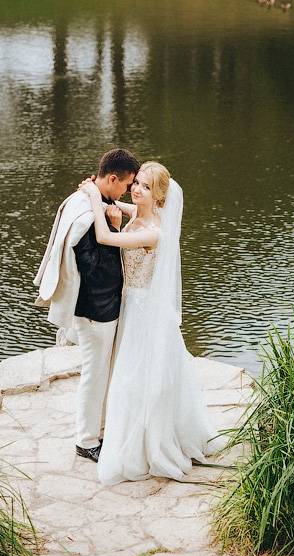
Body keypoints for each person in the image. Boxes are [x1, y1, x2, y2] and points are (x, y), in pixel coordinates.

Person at [79, 162, 216, 485]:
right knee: (129, 372)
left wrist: (94, 199)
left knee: (135, 375)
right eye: (136, 183)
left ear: (159, 197)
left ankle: (146, 443)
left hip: (143, 311)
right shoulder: (138, 213)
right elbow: (120, 205)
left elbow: (103, 237)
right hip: (130, 305)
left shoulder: (153, 232)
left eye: (145, 187)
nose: (137, 190)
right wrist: (102, 196)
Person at [33, 148, 140, 463]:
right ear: (112, 178)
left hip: (102, 306)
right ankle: (86, 440)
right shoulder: (88, 215)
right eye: (126, 185)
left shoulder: (92, 201)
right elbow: (91, 267)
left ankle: (100, 430)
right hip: (96, 308)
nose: (127, 192)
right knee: (94, 375)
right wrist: (114, 229)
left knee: (102, 372)